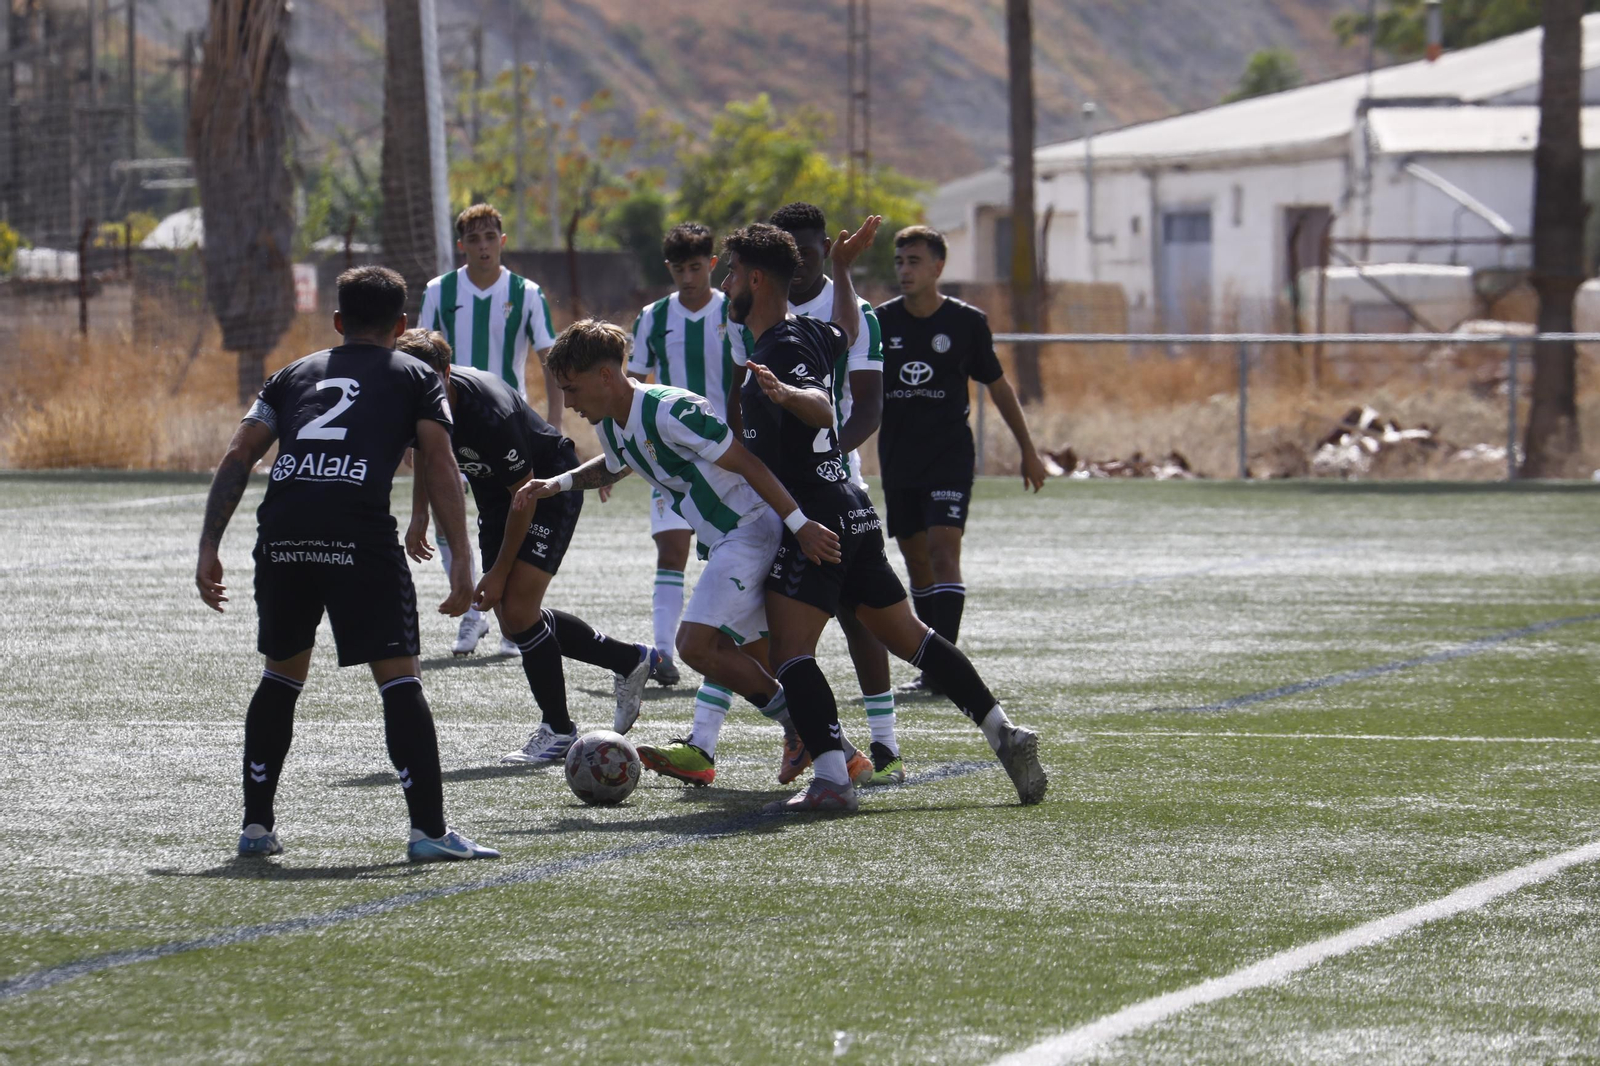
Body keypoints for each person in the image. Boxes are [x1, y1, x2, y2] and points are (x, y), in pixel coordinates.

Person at [730, 221, 1050, 812]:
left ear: (754, 279)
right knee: (913, 637)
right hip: (850, 506)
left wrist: (785, 397)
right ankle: (1002, 729)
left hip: (817, 518)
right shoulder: (809, 332)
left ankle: (831, 778)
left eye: (730, 274)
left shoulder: (778, 348)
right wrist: (847, 271)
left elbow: (823, 405)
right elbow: (850, 330)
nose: (726, 286)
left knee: (791, 652)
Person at [195, 266, 498, 863]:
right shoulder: (416, 374)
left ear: (338, 323)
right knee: (400, 679)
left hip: (283, 532)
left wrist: (209, 544)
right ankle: (430, 832)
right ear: (401, 325)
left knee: (281, 676)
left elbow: (239, 454)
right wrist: (462, 558)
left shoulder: (291, 374)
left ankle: (256, 827)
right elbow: (438, 461)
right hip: (357, 535)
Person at [512, 320, 843, 789]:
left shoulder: (672, 409)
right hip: (725, 541)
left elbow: (748, 462)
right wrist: (557, 483)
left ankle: (801, 732)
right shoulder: (611, 420)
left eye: (572, 388)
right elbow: (614, 464)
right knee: (760, 656)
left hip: (750, 530)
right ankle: (842, 753)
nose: (568, 402)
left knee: (694, 645)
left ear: (606, 376)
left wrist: (800, 525)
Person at [396, 330, 654, 765]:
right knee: (516, 623)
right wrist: (419, 513)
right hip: (498, 499)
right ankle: (629, 659)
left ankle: (557, 728)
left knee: (516, 607)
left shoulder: (488, 412)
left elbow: (526, 494)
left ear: (445, 373)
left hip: (545, 488)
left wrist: (496, 572)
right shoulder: (416, 391)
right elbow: (428, 447)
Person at [874, 225, 1048, 695]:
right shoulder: (880, 322)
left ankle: (941, 671)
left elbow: (998, 386)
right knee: (915, 560)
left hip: (949, 455)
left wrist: (1028, 451)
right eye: (900, 262)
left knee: (943, 549)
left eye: (914, 261)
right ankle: (934, 662)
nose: (905, 270)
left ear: (938, 267)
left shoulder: (967, 323)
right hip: (898, 457)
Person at [767, 202, 902, 785]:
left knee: (858, 612)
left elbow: (868, 403)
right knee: (765, 616)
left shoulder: (856, 313)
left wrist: (828, 451)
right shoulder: (758, 307)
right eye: (786, 253)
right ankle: (805, 737)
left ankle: (884, 738)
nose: (797, 264)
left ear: (826, 246)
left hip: (834, 484)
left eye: (807, 249)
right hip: (770, 486)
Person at [417, 202, 560, 659]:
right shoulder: (439, 291)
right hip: (445, 427)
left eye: (489, 237)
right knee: (447, 517)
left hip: (502, 428)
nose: (483, 246)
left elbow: (549, 360)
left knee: (508, 516)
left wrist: (554, 425)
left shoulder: (526, 292)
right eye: (473, 239)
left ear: (502, 240)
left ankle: (504, 619)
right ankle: (471, 613)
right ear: (462, 246)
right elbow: (418, 360)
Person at [627, 223, 747, 691]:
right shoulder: (653, 317)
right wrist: (621, 455)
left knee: (729, 549)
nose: (688, 277)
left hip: (724, 452)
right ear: (669, 270)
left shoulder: (733, 312)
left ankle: (730, 643)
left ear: (711, 265)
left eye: (696, 267)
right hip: (668, 454)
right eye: (680, 269)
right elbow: (632, 385)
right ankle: (662, 653)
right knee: (672, 549)